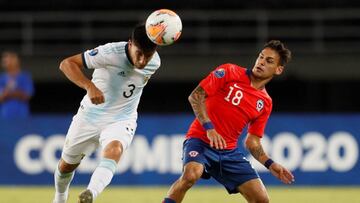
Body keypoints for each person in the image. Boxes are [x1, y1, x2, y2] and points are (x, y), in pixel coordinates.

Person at [163, 40, 295, 203]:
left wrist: (270, 164)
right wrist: (209, 128)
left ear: (279, 69)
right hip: (200, 140)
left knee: (262, 199)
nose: (261, 62)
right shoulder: (229, 71)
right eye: (261, 57)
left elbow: (252, 141)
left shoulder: (265, 102)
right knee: (191, 174)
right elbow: (195, 96)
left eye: (269, 61)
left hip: (228, 152)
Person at [52, 24, 160, 203]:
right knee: (66, 167)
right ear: (130, 43)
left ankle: (90, 194)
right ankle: (60, 198)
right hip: (89, 117)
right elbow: (66, 64)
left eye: (147, 56)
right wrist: (89, 86)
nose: (142, 61)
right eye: (139, 53)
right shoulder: (110, 52)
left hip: (121, 118)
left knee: (114, 150)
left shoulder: (155, 62)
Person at [0, 51, 34, 118]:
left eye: (8, 59)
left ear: (15, 60)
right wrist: (10, 91)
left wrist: (10, 93)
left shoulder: (25, 77)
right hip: (5, 116)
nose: (4, 62)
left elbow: (27, 96)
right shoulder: (1, 78)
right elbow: (1, 97)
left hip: (22, 116)